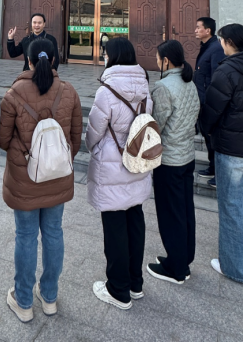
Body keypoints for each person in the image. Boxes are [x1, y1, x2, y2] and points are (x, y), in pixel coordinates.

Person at [0, 38, 82, 322]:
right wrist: (56, 160)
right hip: (58, 176)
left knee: (25, 236)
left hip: (25, 178)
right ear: (55, 59)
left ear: (29, 60)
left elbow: (3, 139)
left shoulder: (14, 92)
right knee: (54, 232)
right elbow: (75, 139)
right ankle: (49, 297)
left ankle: (23, 301)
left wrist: (26, 156)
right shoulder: (69, 91)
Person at [85, 37, 153, 310]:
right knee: (135, 220)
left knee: (114, 229)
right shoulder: (145, 87)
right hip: (137, 162)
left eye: (105, 53)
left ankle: (118, 290)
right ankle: (135, 283)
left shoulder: (107, 91)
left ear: (111, 57)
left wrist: (94, 149)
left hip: (112, 167)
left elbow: (94, 132)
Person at [200, 23, 243, 285]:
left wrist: (206, 130)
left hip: (231, 147)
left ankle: (237, 269)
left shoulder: (227, 70)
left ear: (228, 42)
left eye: (221, 40)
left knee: (231, 208)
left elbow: (212, 109)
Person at [147, 40, 200, 285]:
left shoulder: (163, 87)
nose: (157, 62)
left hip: (169, 160)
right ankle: (183, 258)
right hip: (187, 155)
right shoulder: (190, 83)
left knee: (170, 214)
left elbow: (155, 125)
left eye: (158, 58)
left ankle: (176, 268)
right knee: (185, 210)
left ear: (166, 61)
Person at [194, 17, 224, 189]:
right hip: (202, 99)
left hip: (208, 100)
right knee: (207, 135)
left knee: (212, 136)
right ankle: (212, 167)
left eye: (199, 27)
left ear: (208, 30)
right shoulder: (206, 47)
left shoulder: (216, 49)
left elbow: (215, 76)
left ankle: (218, 172)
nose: (196, 30)